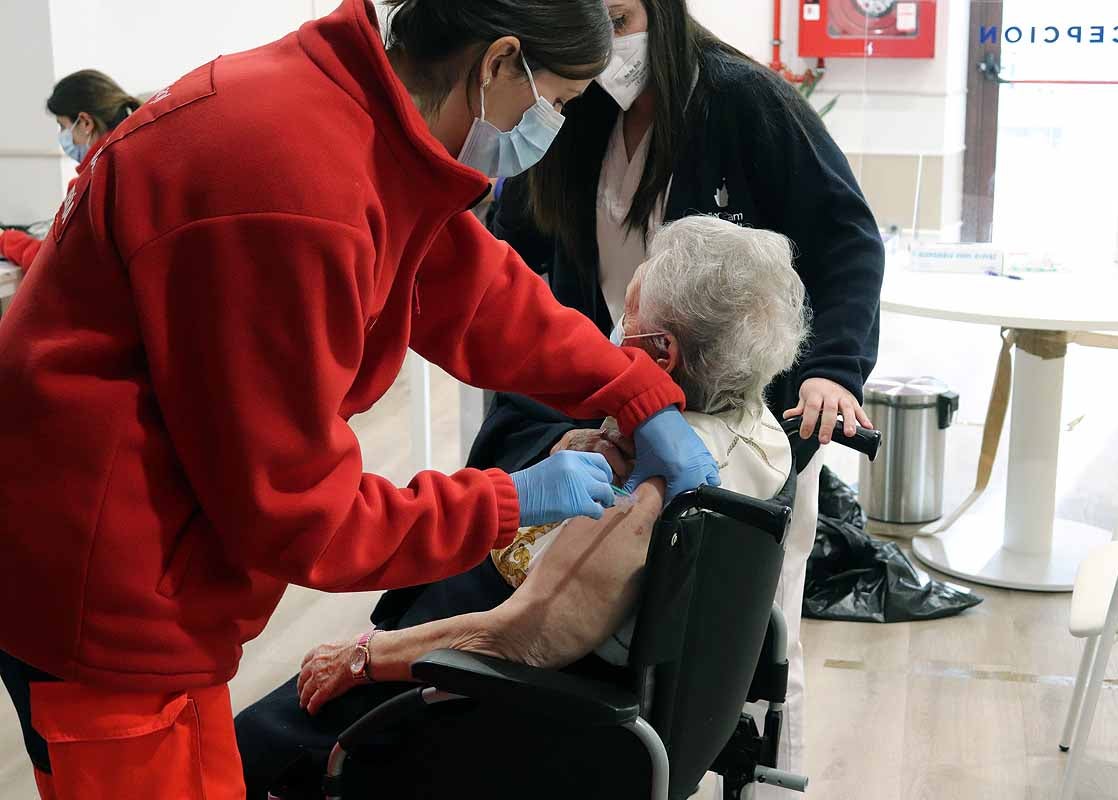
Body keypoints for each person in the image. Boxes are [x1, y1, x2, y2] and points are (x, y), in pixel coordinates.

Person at [0, 1, 722, 797]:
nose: (549, 126)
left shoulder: (359, 116)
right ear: (498, 63)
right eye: (555, 101)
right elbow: (296, 510)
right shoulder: (287, 188)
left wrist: (633, 389)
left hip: (163, 571)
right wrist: (507, 501)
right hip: (99, 597)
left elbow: (470, 288)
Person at [235, 215, 810, 799]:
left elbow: (521, 639)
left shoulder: (649, 500)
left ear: (662, 354)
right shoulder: (765, 437)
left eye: (628, 312)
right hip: (576, 680)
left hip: (512, 708)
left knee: (251, 749)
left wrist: (362, 657)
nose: (612, 330)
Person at [461, 0, 885, 787]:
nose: (600, 35)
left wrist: (834, 368)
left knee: (737, 638)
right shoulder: (568, 109)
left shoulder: (741, 102)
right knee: (591, 612)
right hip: (608, 395)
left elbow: (847, 237)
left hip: (727, 414)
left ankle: (742, 773)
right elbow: (507, 252)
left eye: (617, 18)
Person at [0, 70, 141, 271]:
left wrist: (6, 240)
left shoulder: (91, 186)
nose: (62, 136)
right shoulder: (136, 160)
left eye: (62, 126)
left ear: (85, 122)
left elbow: (56, 265)